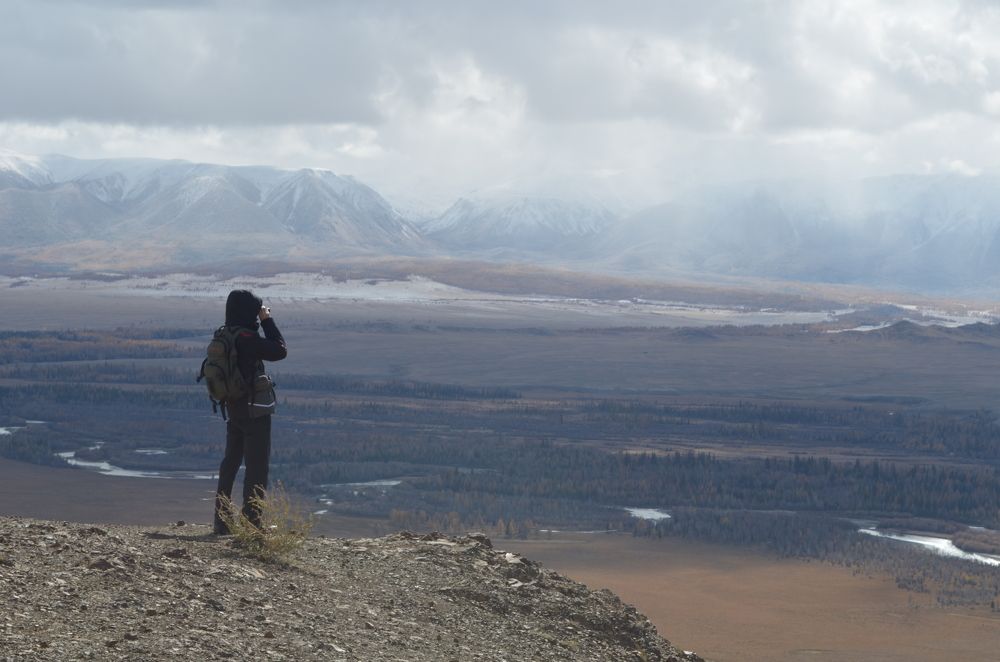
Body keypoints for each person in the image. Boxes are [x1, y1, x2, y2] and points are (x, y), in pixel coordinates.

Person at [213, 289, 287, 534]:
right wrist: (267, 321)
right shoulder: (247, 338)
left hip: (233, 409)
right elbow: (279, 350)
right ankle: (252, 524)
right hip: (255, 411)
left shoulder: (225, 335)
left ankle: (221, 521)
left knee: (230, 462)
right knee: (257, 467)